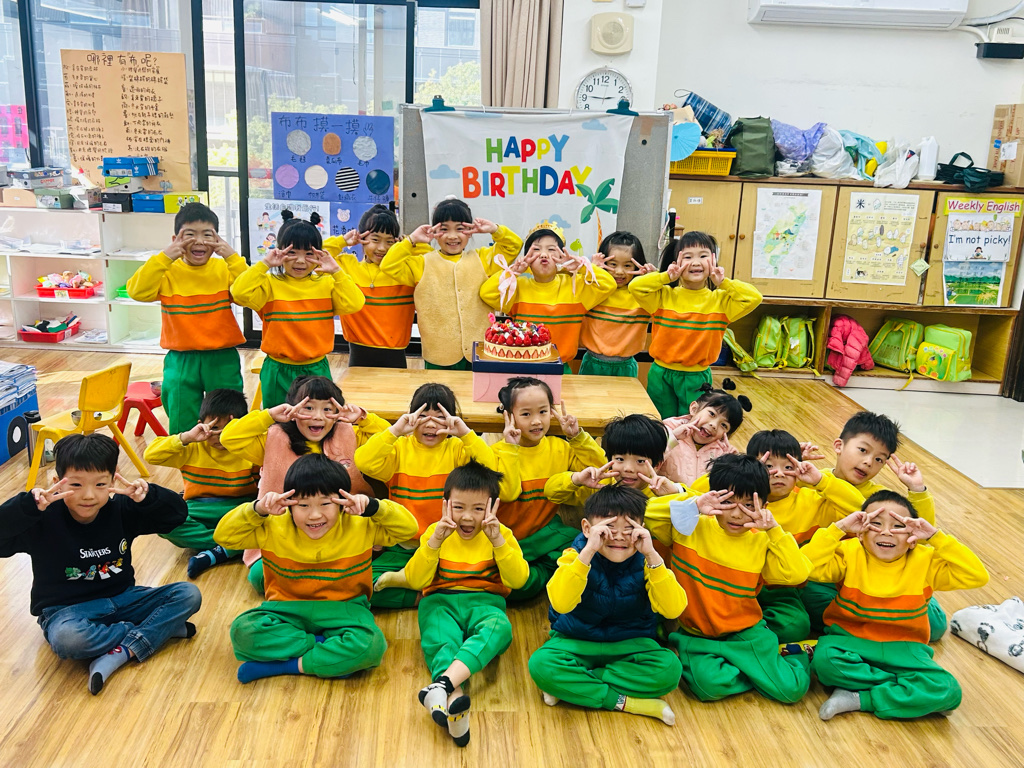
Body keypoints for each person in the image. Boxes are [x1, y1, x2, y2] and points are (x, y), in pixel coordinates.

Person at [0, 434, 201, 694]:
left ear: (113, 481)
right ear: (57, 482)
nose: (89, 495)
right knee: (68, 640)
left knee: (188, 594)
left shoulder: (122, 508)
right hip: (67, 611)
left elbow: (176, 516)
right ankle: (156, 629)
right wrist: (25, 507)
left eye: (100, 484)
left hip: (124, 599)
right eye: (76, 484)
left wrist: (148, 497)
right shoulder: (42, 517)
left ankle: (124, 649)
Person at [216, 454, 417, 683]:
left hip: (345, 610)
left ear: (342, 502)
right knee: (242, 631)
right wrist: (257, 509)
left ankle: (286, 664)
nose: (314, 515)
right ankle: (328, 653)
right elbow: (224, 536)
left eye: (325, 503)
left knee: (372, 646)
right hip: (286, 609)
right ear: (289, 504)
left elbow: (408, 529)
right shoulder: (272, 524)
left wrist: (374, 506)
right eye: (303, 505)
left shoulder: (361, 523)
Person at [805, 491, 988, 720]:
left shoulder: (926, 560)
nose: (886, 532)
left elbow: (977, 576)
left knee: (948, 690)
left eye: (898, 526)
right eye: (876, 524)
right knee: (825, 662)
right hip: (849, 640)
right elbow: (806, 566)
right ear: (860, 533)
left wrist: (935, 537)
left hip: (905, 648)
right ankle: (904, 690)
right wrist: (839, 528)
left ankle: (860, 697)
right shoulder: (850, 551)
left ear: (913, 537)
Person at [646, 454, 813, 704]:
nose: (737, 514)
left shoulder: (762, 539)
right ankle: (757, 670)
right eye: (728, 502)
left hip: (745, 632)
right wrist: (694, 504)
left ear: (764, 506)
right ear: (713, 496)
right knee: (708, 688)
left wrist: (774, 530)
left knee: (791, 691)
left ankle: (794, 654)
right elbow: (647, 513)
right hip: (696, 636)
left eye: (748, 505)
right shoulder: (689, 525)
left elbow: (797, 573)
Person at [528, 485, 686, 725]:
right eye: (609, 528)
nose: (619, 537)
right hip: (576, 639)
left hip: (631, 643)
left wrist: (653, 557)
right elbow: (560, 603)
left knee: (670, 670)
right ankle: (630, 703)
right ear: (587, 528)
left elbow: (673, 609)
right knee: (541, 665)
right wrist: (588, 551)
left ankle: (577, 685)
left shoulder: (648, 560)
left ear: (642, 529)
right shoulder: (574, 554)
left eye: (629, 528)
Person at [356, 383, 520, 608]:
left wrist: (465, 433)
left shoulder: (456, 449)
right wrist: (395, 430)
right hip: (405, 546)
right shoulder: (401, 448)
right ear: (411, 416)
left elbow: (491, 473)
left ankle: (424, 585)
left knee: (519, 585)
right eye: (423, 415)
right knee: (361, 586)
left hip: (450, 545)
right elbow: (364, 461)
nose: (431, 424)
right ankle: (425, 593)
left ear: (452, 419)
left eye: (440, 417)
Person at [219, 376, 386, 593]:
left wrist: (363, 418)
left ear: (338, 412)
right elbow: (229, 437)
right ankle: (325, 585)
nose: (318, 416)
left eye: (327, 409)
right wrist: (269, 416)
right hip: (285, 534)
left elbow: (390, 440)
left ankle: (309, 587)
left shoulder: (349, 434)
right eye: (308, 408)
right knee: (261, 577)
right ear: (292, 410)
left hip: (341, 532)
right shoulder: (273, 439)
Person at [408, 462, 528, 747]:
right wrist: (435, 541)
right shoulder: (435, 532)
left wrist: (497, 540)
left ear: (494, 507)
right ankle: (455, 701)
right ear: (445, 504)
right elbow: (415, 580)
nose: (468, 517)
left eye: (478, 509)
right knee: (442, 640)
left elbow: (518, 579)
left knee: (500, 628)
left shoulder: (501, 534)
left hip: (485, 602)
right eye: (459, 507)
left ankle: (442, 686)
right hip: (440, 601)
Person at [801, 411, 945, 641]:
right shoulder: (809, 483)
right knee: (817, 610)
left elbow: (919, 536)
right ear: (839, 446)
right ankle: (880, 622)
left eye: (879, 459)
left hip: (874, 577)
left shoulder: (878, 497)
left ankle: (888, 612)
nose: (869, 462)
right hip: (826, 577)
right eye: (863, 450)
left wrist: (917, 490)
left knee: (935, 625)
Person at [126, 202, 246, 433]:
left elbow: (251, 293)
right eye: (190, 234)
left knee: (229, 418)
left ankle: (228, 454)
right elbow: (137, 291)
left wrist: (232, 256)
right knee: (182, 417)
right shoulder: (166, 271)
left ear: (217, 239)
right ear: (176, 240)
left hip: (221, 357)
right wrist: (165, 257)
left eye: (207, 235)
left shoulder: (223, 269)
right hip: (181, 358)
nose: (199, 241)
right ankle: (187, 456)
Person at [739, 429, 865, 644]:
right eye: (768, 466)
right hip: (738, 580)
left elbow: (861, 509)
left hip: (781, 588)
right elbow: (702, 490)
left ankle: (747, 630)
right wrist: (743, 474)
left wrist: (820, 481)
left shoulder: (811, 501)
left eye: (788, 467)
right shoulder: (738, 496)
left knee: (796, 625)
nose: (779, 473)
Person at [230, 210, 365, 408]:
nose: (300, 261)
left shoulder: (327, 283)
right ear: (279, 252)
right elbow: (239, 292)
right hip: (278, 369)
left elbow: (356, 303)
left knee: (317, 419)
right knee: (278, 420)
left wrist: (337, 271)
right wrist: (265, 264)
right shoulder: (269, 284)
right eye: (292, 252)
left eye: (309, 254)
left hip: (316, 368)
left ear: (318, 254)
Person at [488, 377, 605, 601]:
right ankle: (537, 575)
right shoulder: (496, 452)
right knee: (516, 587)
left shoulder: (559, 447)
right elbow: (508, 493)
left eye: (543, 412)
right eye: (526, 414)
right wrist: (511, 449)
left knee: (583, 546)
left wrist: (577, 437)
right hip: (506, 537)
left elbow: (599, 471)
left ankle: (538, 573)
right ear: (509, 416)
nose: (536, 421)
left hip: (544, 532)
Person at [628, 232, 762, 418]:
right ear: (676, 262)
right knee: (659, 422)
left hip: (697, 376)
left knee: (693, 423)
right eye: (688, 257)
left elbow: (754, 297)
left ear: (713, 261)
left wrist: (724, 283)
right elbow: (635, 287)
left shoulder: (721, 301)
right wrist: (666, 277)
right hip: (661, 373)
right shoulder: (664, 296)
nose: (695, 262)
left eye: (703, 256)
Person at [380, 198, 521, 370]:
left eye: (460, 229)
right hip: (438, 355)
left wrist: (495, 230)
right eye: (444, 229)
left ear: (470, 231)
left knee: (477, 388)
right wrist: (411, 240)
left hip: (480, 351)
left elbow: (514, 246)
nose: (452, 236)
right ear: (434, 231)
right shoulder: (421, 263)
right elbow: (388, 266)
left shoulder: (483, 259)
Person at [144, 388, 260, 578]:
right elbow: (151, 455)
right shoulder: (193, 447)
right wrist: (186, 437)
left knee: (266, 520)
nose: (220, 435)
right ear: (201, 425)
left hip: (239, 510)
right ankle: (232, 546)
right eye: (214, 428)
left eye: (229, 428)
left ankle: (224, 548)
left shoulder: (249, 448)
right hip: (199, 508)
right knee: (160, 520)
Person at [480, 222, 617, 373]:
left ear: (561, 256)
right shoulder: (517, 287)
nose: (544, 254)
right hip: (522, 367)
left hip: (562, 367)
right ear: (527, 258)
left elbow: (609, 285)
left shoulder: (576, 286)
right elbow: (487, 293)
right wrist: (513, 272)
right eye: (536, 250)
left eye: (551, 249)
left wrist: (582, 267)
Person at [322, 205, 413, 369]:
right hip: (358, 354)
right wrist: (343, 241)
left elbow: (429, 264)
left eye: (389, 241)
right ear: (362, 238)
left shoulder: (403, 271)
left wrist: (410, 245)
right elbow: (314, 256)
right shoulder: (347, 266)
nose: (382, 248)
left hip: (396, 355)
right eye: (375, 240)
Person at [544, 413, 681, 505]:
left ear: (657, 465)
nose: (628, 468)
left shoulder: (662, 491)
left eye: (640, 461)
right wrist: (577, 479)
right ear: (609, 460)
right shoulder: (600, 485)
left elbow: (690, 504)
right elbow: (551, 492)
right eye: (620, 459)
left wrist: (675, 493)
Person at [579, 232, 655, 378]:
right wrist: (592, 268)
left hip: (626, 366)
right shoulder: (594, 290)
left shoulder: (642, 295)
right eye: (613, 264)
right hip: (592, 363)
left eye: (627, 265)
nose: (619, 272)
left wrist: (652, 278)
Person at [658, 382, 747, 487]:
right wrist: (672, 439)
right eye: (712, 414)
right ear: (694, 409)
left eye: (724, 425)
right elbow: (648, 463)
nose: (714, 425)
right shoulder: (667, 431)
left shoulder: (722, 452)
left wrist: (733, 465)